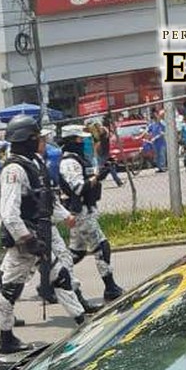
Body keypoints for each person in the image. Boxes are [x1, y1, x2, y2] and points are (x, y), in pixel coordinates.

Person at [0, 115, 85, 355]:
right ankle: (5, 337)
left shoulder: (32, 163)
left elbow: (43, 198)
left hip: (38, 234)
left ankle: (82, 322)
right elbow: (9, 212)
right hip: (25, 240)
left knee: (60, 276)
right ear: (26, 139)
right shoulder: (14, 169)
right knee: (10, 288)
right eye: (36, 137)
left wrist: (63, 216)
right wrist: (28, 240)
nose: (40, 141)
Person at [58, 125, 125, 303]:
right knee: (102, 247)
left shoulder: (79, 159)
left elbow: (88, 178)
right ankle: (110, 288)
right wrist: (98, 177)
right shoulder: (69, 162)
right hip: (80, 213)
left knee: (76, 253)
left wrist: (103, 169)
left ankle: (53, 278)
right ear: (72, 141)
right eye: (81, 139)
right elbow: (78, 187)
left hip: (86, 210)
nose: (84, 141)